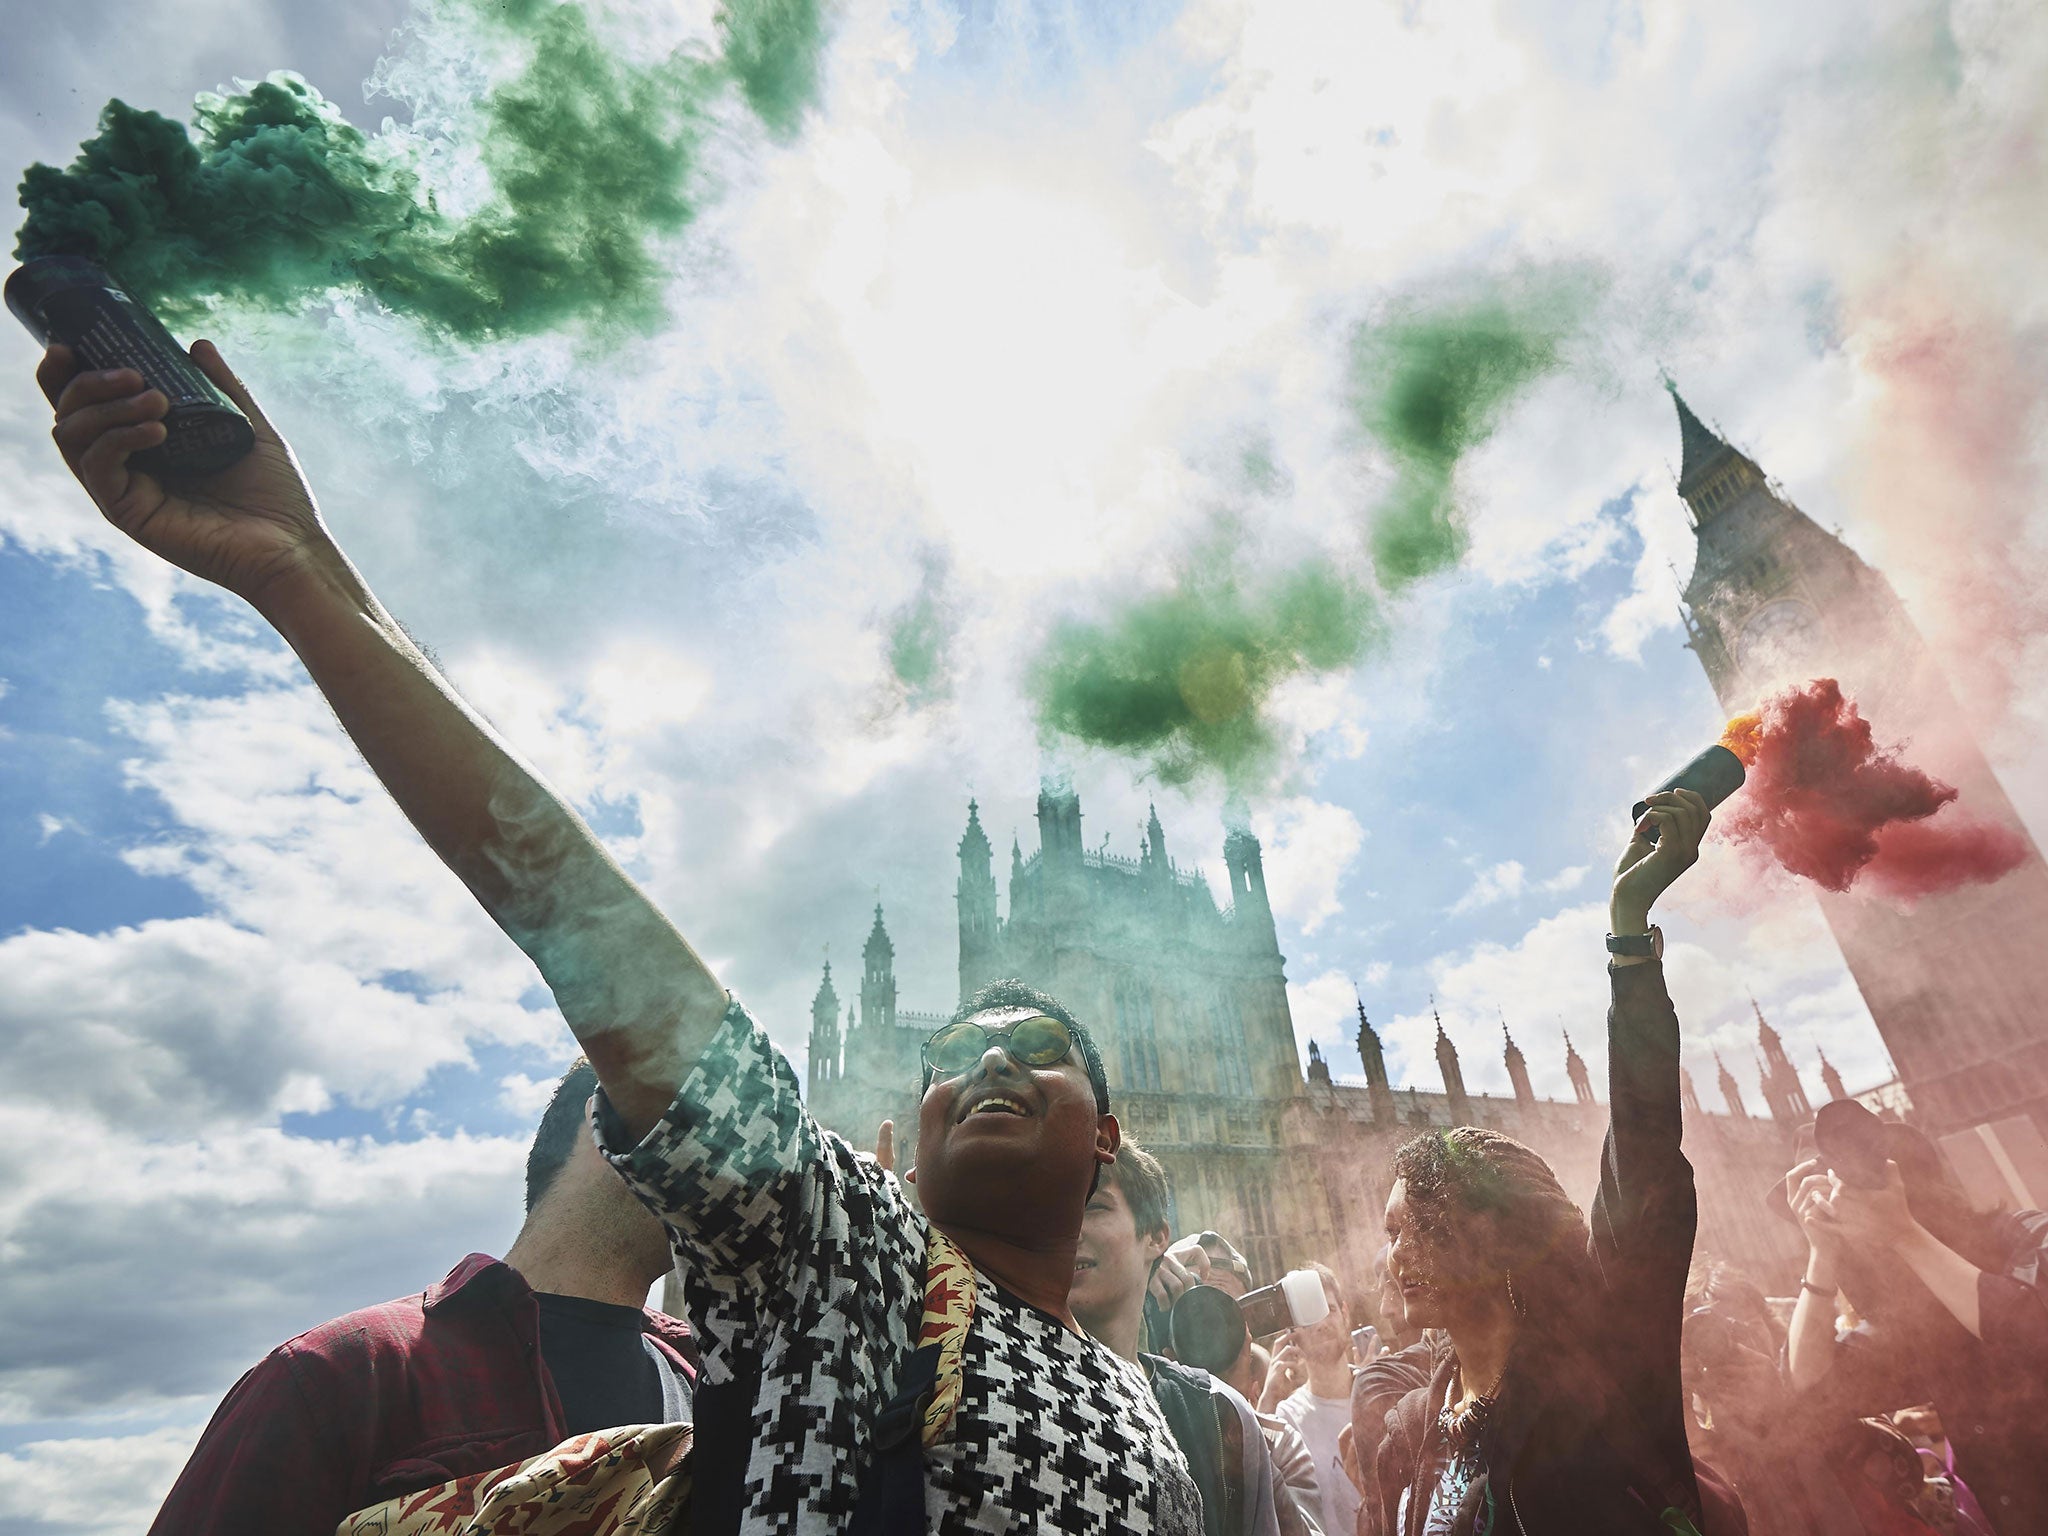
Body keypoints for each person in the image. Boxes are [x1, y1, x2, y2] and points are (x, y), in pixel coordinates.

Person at [39, 344, 1201, 1533]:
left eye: (1037, 1046)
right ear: (905, 1145)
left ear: (1106, 1136)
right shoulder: (840, 1270)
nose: (988, 1060)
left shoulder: (1153, 1415)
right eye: (953, 1054)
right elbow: (591, 930)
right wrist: (305, 576)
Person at [1364, 786, 1728, 1536]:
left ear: (1493, 1236)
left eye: (1411, 1229)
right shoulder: (1409, 1431)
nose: (1391, 1256)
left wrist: (1629, 937)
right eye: (1388, 1231)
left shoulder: (1604, 1368)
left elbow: (1645, 1153)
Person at [145, 1060, 695, 1536]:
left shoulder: (716, 1388)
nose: (750, 1175)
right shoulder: (339, 1373)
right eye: (721, 1134)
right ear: (609, 1118)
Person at [1782, 1100, 2048, 1535]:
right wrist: (1822, 1252)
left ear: (1913, 1180)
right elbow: (1810, 1392)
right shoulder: (1909, 1320)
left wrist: (1904, 1234)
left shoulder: (2025, 1236)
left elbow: (2031, 1330)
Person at [1071, 1142, 1291, 1536]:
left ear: (1156, 1237)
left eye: (1094, 1207)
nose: (1069, 1226)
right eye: (1057, 1209)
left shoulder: (1218, 1412)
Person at [1266, 1265, 1363, 1536]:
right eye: (1309, 1316)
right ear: (1291, 1334)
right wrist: (1268, 1398)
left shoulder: (1380, 1393)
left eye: (1328, 1310)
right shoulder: (1286, 1418)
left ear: (1344, 1313)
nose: (1320, 1324)